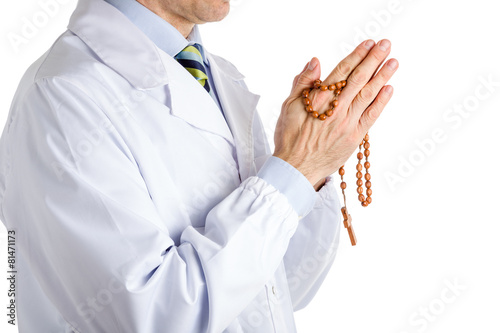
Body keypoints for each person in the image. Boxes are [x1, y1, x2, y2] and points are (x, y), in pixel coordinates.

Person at [0, 0, 398, 331]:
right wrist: (294, 169)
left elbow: (281, 288)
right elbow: (155, 319)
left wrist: (310, 169)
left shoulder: (216, 76)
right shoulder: (62, 98)